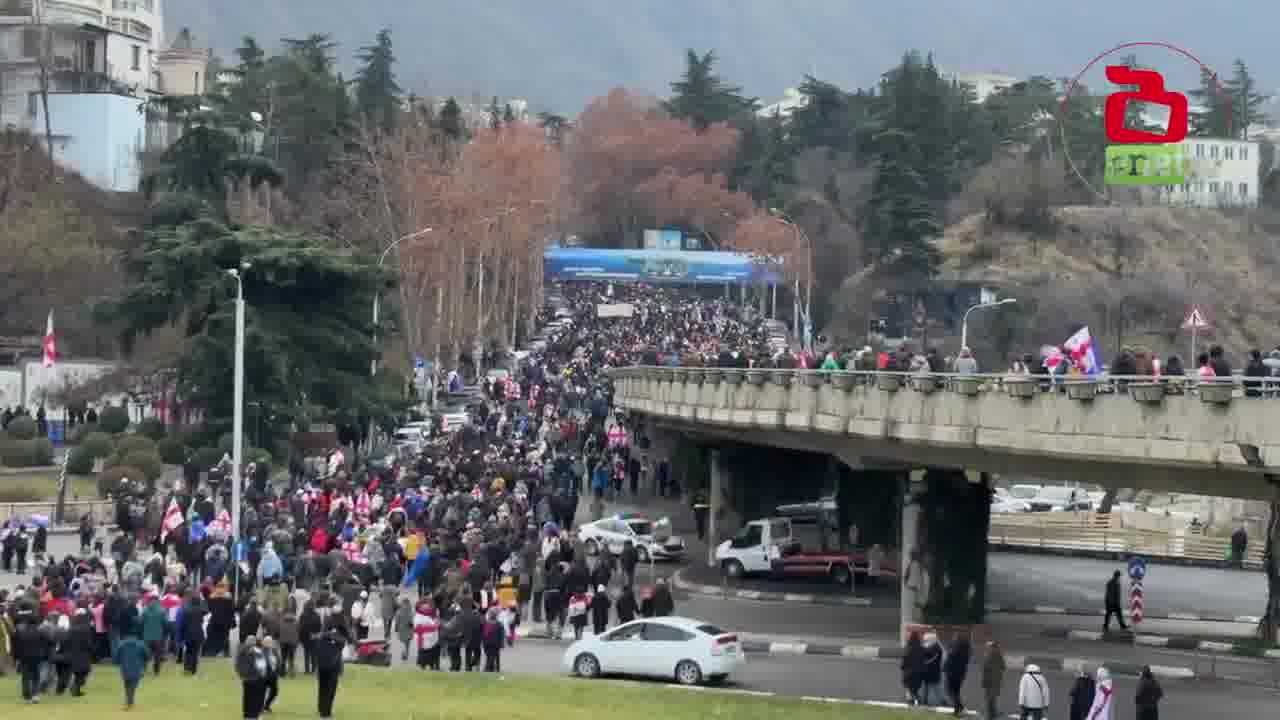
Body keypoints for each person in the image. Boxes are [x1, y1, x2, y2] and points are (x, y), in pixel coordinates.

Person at [313, 626, 346, 719]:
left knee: (322, 689)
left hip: (321, 667)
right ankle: (326, 712)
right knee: (330, 691)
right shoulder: (339, 642)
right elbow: (343, 642)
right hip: (333, 668)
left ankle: (321, 708)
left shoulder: (320, 639)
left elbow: (316, 652)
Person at [113, 631, 149, 710]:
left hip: (125, 669)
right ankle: (129, 702)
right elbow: (147, 655)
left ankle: (128, 701)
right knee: (132, 687)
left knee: (127, 685)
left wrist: (118, 662)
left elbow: (116, 658)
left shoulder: (121, 644)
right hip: (137, 669)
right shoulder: (141, 644)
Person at [236, 636, 269, 720]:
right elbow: (261, 665)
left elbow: (238, 665)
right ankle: (253, 715)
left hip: (246, 678)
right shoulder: (256, 651)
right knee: (255, 697)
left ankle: (247, 714)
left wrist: (241, 675)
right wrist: (262, 674)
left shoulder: (241, 650)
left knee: (247, 696)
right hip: (255, 678)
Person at [943, 634, 970, 715]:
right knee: (955, 692)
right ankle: (958, 708)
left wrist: (944, 668)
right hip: (961, 674)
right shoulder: (966, 650)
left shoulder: (954, 649)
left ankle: (958, 707)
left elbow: (949, 659)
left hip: (952, 673)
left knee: (950, 691)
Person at [981, 640, 1005, 720]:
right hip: (996, 680)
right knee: (992, 698)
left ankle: (990, 715)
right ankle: (993, 713)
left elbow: (985, 669)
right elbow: (1003, 667)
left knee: (989, 698)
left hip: (990, 680)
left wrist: (984, 681)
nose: (987, 648)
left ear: (992, 647)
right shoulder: (998, 654)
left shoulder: (989, 655)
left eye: (988, 647)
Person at [901, 631, 925, 705]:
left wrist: (902, 667)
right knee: (914, 690)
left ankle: (910, 702)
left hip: (909, 673)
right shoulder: (921, 648)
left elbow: (905, 660)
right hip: (919, 673)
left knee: (909, 689)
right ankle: (919, 701)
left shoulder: (908, 648)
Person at [260, 636, 282, 714]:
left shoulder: (274, 651)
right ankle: (260, 707)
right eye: (267, 642)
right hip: (264, 675)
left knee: (275, 691)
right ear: (263, 643)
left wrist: (278, 670)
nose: (269, 643)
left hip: (273, 675)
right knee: (261, 692)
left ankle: (266, 705)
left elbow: (279, 661)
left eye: (270, 642)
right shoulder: (261, 651)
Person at [481, 608, 504, 672]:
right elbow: (501, 635)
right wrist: (501, 643)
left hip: (487, 643)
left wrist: (482, 642)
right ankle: (491, 667)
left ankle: (488, 667)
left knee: (489, 656)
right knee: (493, 656)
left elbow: (483, 634)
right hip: (495, 643)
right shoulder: (499, 624)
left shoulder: (485, 623)